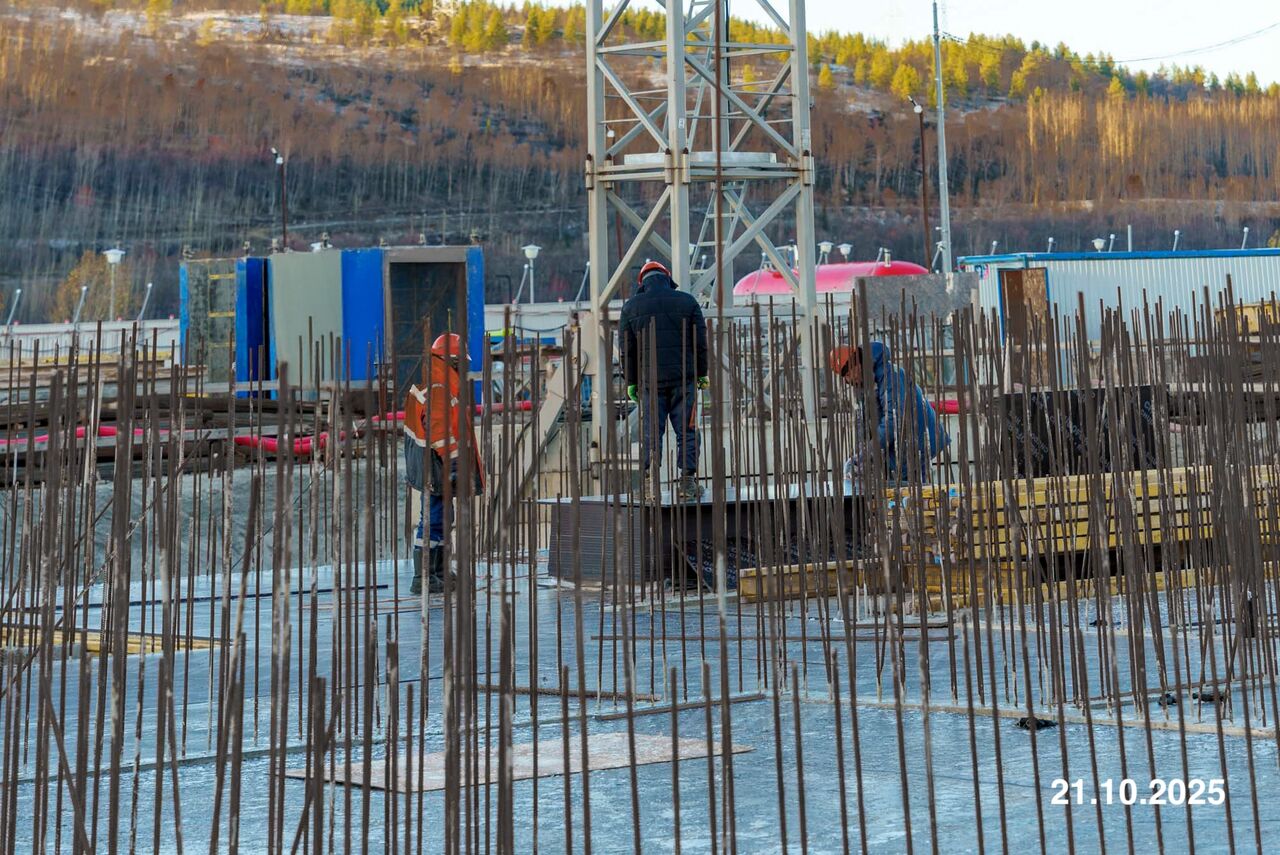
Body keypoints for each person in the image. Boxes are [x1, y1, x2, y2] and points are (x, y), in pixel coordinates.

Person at [618, 261, 709, 502]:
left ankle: (650, 485)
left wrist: (631, 381)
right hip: (684, 380)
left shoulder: (631, 307)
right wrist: (702, 373)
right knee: (688, 431)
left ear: (642, 282)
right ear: (667, 278)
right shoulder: (687, 301)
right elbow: (700, 342)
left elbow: (627, 351)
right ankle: (687, 484)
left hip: (650, 383)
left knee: (651, 432)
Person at [403, 332, 485, 595]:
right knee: (433, 518)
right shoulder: (438, 387)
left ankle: (437, 572)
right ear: (451, 361)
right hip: (436, 465)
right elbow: (438, 429)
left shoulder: (440, 383)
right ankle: (424, 576)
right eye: (459, 362)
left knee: (441, 517)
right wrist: (453, 462)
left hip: (434, 464)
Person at [828, 341, 949, 483]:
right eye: (846, 375)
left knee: (914, 489)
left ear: (859, 362)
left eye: (851, 371)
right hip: (898, 448)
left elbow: (894, 420)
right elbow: (864, 421)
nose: (851, 377)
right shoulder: (862, 383)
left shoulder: (890, 375)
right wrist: (861, 453)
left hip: (918, 441)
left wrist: (868, 451)